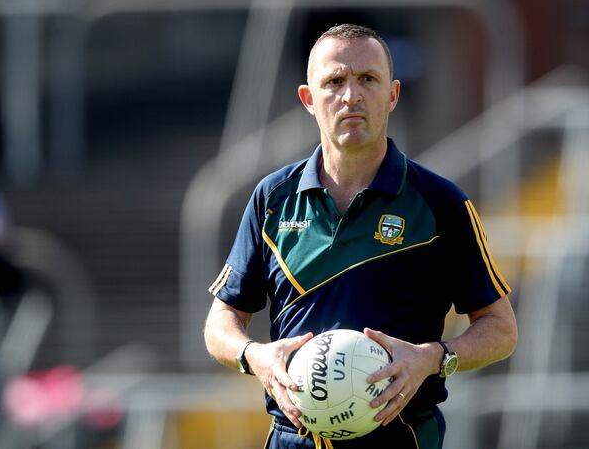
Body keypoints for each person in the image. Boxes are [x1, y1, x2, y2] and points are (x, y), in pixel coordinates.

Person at [204, 23, 517, 449]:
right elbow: (221, 322)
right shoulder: (272, 199)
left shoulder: (440, 202)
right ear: (309, 100)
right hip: (292, 440)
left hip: (403, 438)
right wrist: (254, 356)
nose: (351, 95)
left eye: (368, 79)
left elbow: (500, 329)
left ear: (392, 94)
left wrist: (432, 359)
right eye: (334, 81)